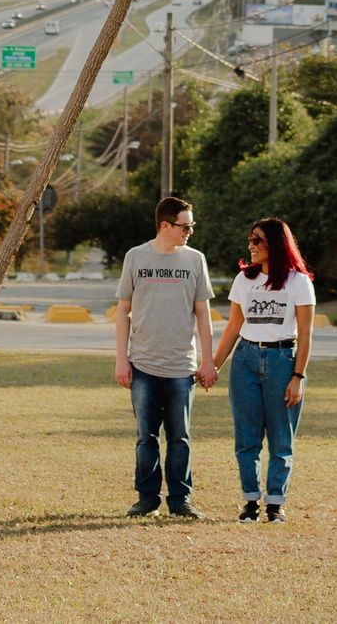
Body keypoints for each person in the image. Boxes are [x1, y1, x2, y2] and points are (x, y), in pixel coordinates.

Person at [114, 194, 218, 519]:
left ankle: (180, 500)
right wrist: (121, 359)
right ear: (165, 226)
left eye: (191, 226)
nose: (190, 232)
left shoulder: (195, 260)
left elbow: (203, 313)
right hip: (143, 365)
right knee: (146, 437)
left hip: (181, 367)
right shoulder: (135, 257)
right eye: (185, 226)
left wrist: (208, 360)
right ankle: (147, 498)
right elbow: (123, 311)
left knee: (179, 438)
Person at [209, 215, 316, 522]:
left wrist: (298, 376)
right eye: (250, 240)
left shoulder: (299, 282)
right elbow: (233, 326)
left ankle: (275, 504)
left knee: (281, 438)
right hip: (245, 359)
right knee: (247, 438)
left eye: (257, 240)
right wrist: (213, 367)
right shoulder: (244, 279)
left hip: (283, 360)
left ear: (276, 244)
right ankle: (250, 502)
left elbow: (306, 334)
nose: (251, 246)